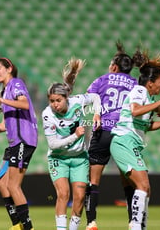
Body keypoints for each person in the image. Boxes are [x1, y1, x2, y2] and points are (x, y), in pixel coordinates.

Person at [109, 49, 160, 230]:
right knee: (143, 184)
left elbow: (144, 126)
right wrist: (159, 103)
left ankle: (140, 225)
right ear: (150, 83)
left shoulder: (147, 96)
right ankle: (136, 226)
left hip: (131, 143)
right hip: (123, 141)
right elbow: (135, 110)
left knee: (146, 188)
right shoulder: (139, 90)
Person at [85, 42, 141, 230]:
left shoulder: (102, 79)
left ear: (114, 67)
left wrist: (97, 112)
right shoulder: (135, 84)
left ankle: (91, 221)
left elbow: (88, 98)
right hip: (124, 133)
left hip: (103, 130)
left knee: (93, 180)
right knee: (128, 181)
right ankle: (133, 221)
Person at [0, 57, 37, 230]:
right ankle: (16, 224)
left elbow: (24, 104)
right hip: (13, 144)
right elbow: (3, 126)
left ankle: (27, 227)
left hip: (24, 140)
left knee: (13, 185)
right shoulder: (5, 92)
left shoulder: (16, 84)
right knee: (0, 183)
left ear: (9, 68)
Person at [42, 58, 101, 230]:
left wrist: (97, 114)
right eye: (51, 101)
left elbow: (95, 97)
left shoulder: (77, 102)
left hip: (80, 158)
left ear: (66, 98)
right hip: (58, 158)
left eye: (58, 100)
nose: (54, 105)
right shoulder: (48, 115)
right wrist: (75, 136)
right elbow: (53, 144)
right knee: (63, 194)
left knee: (80, 196)